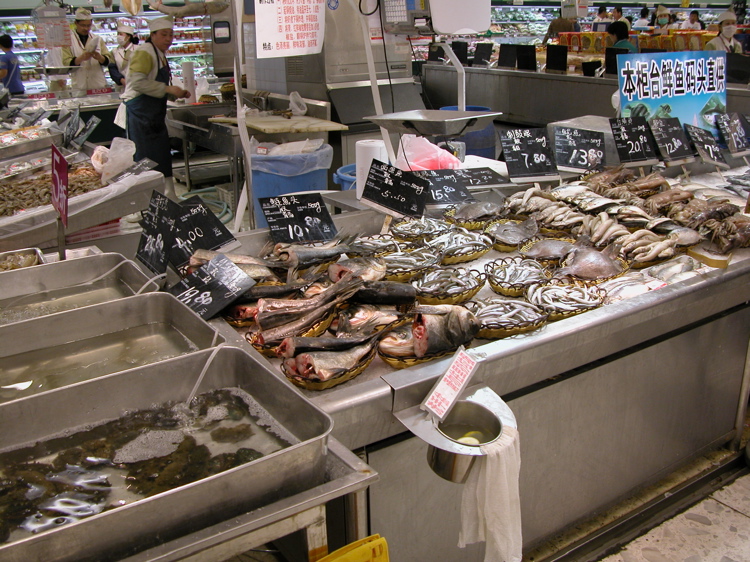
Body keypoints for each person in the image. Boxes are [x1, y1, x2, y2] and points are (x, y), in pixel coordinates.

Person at [122, 16, 190, 198]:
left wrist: (175, 93)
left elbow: (154, 83)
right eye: (163, 35)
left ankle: (168, 195)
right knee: (144, 159)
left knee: (161, 154)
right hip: (141, 113)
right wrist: (167, 89)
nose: (168, 39)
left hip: (154, 115)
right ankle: (145, 199)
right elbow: (137, 83)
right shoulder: (145, 52)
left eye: (171, 35)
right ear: (152, 35)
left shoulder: (159, 54)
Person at [62, 8, 111, 91]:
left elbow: (108, 60)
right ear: (76, 23)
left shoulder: (98, 39)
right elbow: (66, 63)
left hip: (97, 83)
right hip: (79, 84)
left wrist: (100, 58)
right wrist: (81, 58)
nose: (86, 28)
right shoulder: (68, 40)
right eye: (83, 25)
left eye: (88, 25)